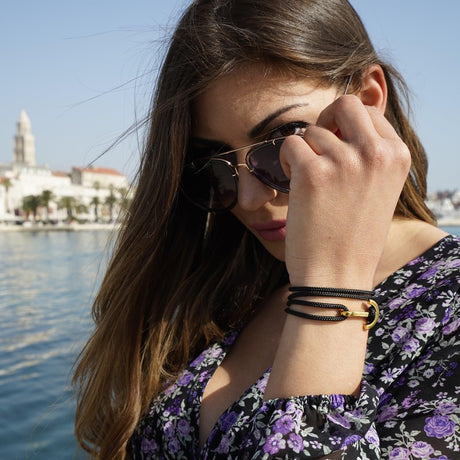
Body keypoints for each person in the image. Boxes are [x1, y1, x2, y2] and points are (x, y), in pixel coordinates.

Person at [73, 0, 460, 458]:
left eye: (281, 144)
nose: (251, 199)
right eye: (213, 168)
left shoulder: (447, 306)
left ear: (369, 99)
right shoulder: (225, 281)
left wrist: (330, 290)